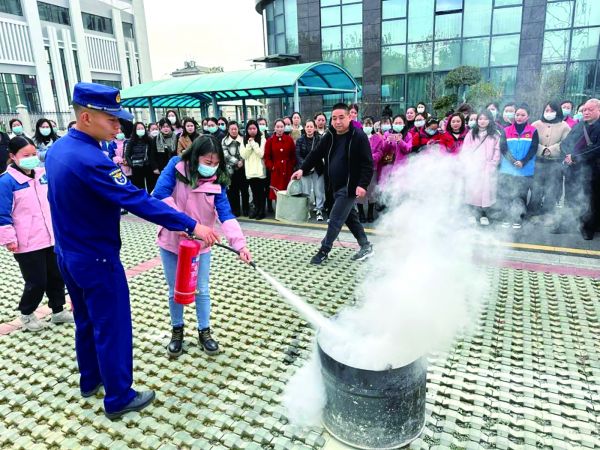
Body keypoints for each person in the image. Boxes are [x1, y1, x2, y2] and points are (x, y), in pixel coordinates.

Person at [45, 82, 217, 420]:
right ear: (86, 116)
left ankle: (90, 380)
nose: (118, 126)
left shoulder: (58, 149)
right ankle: (119, 397)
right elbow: (138, 201)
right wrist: (192, 225)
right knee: (112, 326)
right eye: (111, 119)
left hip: (67, 253)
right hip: (97, 258)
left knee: (86, 321)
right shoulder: (91, 159)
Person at [152, 135, 252, 357]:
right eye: (208, 162)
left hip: (200, 246)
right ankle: (177, 330)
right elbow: (159, 196)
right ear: (195, 156)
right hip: (172, 240)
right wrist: (192, 226)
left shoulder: (218, 180)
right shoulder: (175, 167)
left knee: (202, 288)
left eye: (216, 163)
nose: (212, 167)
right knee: (174, 288)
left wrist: (240, 245)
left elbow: (225, 214)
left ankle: (204, 331)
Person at [0, 136, 73, 331]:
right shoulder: (7, 182)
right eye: (26, 155)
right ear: (12, 156)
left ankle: (58, 310)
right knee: (36, 281)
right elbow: (2, 213)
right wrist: (9, 239)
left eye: (34, 154)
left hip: (50, 237)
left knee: (56, 276)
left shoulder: (42, 175)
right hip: (26, 242)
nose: (32, 158)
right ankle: (26, 313)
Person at [291, 103, 374, 265]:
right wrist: (302, 169)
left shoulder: (359, 136)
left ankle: (324, 250)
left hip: (350, 186)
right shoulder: (330, 135)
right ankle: (365, 245)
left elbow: (367, 164)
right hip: (333, 185)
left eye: (341, 117)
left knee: (335, 218)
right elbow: (315, 154)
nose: (337, 122)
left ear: (350, 117)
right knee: (350, 218)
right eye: (334, 118)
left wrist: (362, 185)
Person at [559, 98, 600, 240]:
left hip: (591, 172)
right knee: (569, 197)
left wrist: (575, 157)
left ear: (598, 110)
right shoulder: (579, 125)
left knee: (590, 200)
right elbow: (565, 143)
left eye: (590, 110)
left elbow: (597, 149)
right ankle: (566, 223)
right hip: (572, 170)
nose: (586, 112)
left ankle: (588, 228)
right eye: (584, 110)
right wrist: (566, 155)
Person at [498, 104, 538, 229]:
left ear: (528, 117)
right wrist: (513, 161)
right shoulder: (506, 130)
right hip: (508, 169)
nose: (519, 117)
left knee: (521, 194)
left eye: (522, 115)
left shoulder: (533, 131)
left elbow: (533, 148)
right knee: (507, 194)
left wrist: (523, 162)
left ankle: (518, 218)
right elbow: (503, 148)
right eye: (517, 115)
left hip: (525, 169)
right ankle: (506, 217)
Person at [460, 110, 502, 226]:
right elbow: (465, 150)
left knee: (486, 192)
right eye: (480, 119)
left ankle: (484, 214)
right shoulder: (471, 133)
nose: (482, 121)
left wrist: (493, 165)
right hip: (473, 167)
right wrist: (469, 164)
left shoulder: (495, 134)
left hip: (487, 167)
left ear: (490, 120)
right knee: (472, 191)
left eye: (485, 119)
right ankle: (472, 214)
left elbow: (497, 151)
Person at [530, 102, 570, 216]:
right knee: (536, 188)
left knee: (551, 189)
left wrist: (551, 150)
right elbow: (532, 141)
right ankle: (533, 212)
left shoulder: (564, 126)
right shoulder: (536, 124)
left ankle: (547, 214)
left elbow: (566, 142)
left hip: (555, 163)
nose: (549, 113)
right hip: (538, 162)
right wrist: (542, 149)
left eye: (552, 111)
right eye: (546, 110)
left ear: (557, 112)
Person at [295, 119, 324, 221]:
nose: (309, 129)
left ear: (314, 128)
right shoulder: (300, 140)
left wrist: (313, 164)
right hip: (305, 170)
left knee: (319, 190)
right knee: (306, 191)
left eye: (311, 126)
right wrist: (306, 166)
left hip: (318, 168)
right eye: (307, 126)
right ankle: (306, 210)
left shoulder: (319, 139)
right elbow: (298, 156)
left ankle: (319, 209)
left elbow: (320, 154)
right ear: (305, 128)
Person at [264, 119, 296, 204]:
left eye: (281, 127)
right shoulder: (269, 141)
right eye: (277, 127)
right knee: (277, 193)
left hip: (288, 169)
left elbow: (293, 154)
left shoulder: (289, 139)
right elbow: (267, 157)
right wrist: (272, 167)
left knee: (288, 191)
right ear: (274, 128)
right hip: (276, 171)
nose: (280, 129)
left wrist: (291, 165)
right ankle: (280, 213)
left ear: (284, 127)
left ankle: (289, 212)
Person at [358, 117, 383, 223]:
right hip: (359, 169)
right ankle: (361, 212)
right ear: (362, 125)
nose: (367, 126)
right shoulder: (358, 136)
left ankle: (370, 212)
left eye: (369, 124)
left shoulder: (377, 138)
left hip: (373, 168)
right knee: (360, 190)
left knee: (372, 191)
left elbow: (380, 152)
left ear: (373, 125)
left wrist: (371, 157)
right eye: (365, 124)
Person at [241, 120, 267, 220]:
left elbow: (261, 154)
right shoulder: (244, 140)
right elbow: (244, 155)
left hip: (260, 171)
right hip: (250, 172)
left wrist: (254, 144)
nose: (252, 131)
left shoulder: (262, 139)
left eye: (254, 128)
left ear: (257, 129)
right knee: (254, 192)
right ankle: (256, 209)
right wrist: (248, 144)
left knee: (261, 192)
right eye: (250, 129)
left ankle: (262, 211)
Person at [222, 121, 249, 217]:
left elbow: (247, 152)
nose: (234, 131)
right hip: (231, 170)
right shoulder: (224, 140)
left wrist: (242, 161)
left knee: (245, 190)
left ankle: (246, 209)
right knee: (233, 191)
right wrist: (237, 162)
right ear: (228, 130)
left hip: (243, 169)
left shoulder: (244, 139)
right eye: (231, 129)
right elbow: (225, 155)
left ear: (238, 129)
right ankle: (236, 209)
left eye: (235, 129)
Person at [126, 122, 153, 192]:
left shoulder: (149, 140)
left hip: (148, 166)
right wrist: (132, 165)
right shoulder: (131, 141)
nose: (140, 130)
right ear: (135, 130)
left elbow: (152, 153)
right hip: (136, 167)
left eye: (142, 128)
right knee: (139, 187)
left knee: (151, 186)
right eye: (138, 128)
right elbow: (127, 155)